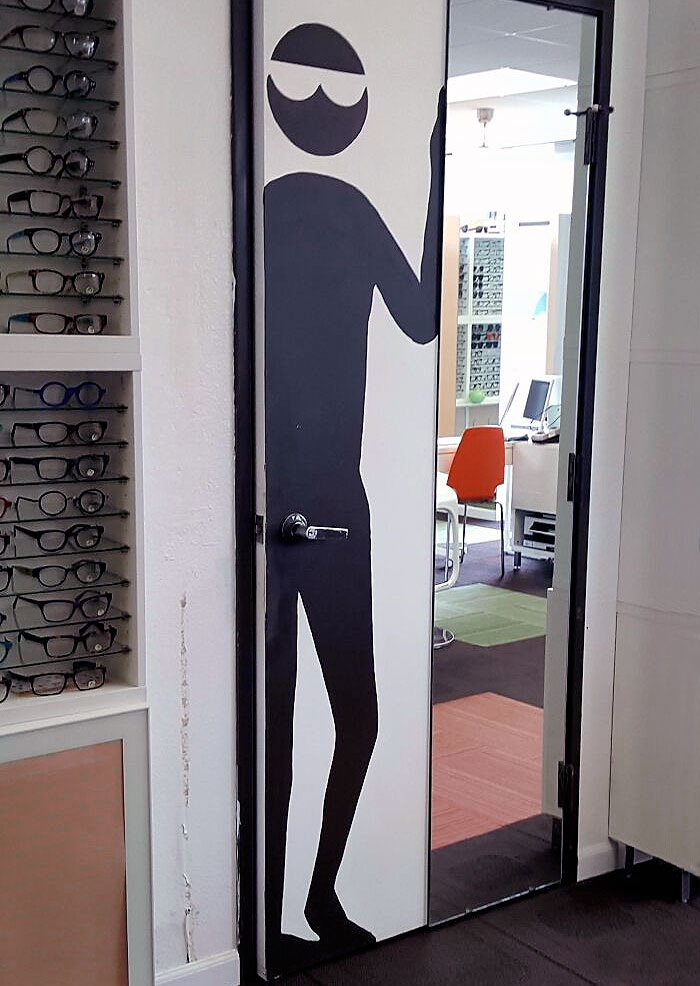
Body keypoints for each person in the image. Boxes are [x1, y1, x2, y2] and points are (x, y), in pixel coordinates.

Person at [263, 21, 444, 974]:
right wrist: (437, 177)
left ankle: (296, 908)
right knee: (334, 718)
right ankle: (304, 902)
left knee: (304, 721)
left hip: (294, 502)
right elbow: (422, 318)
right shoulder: (337, 208)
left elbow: (416, 321)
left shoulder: (277, 207)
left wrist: (436, 176)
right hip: (318, 500)